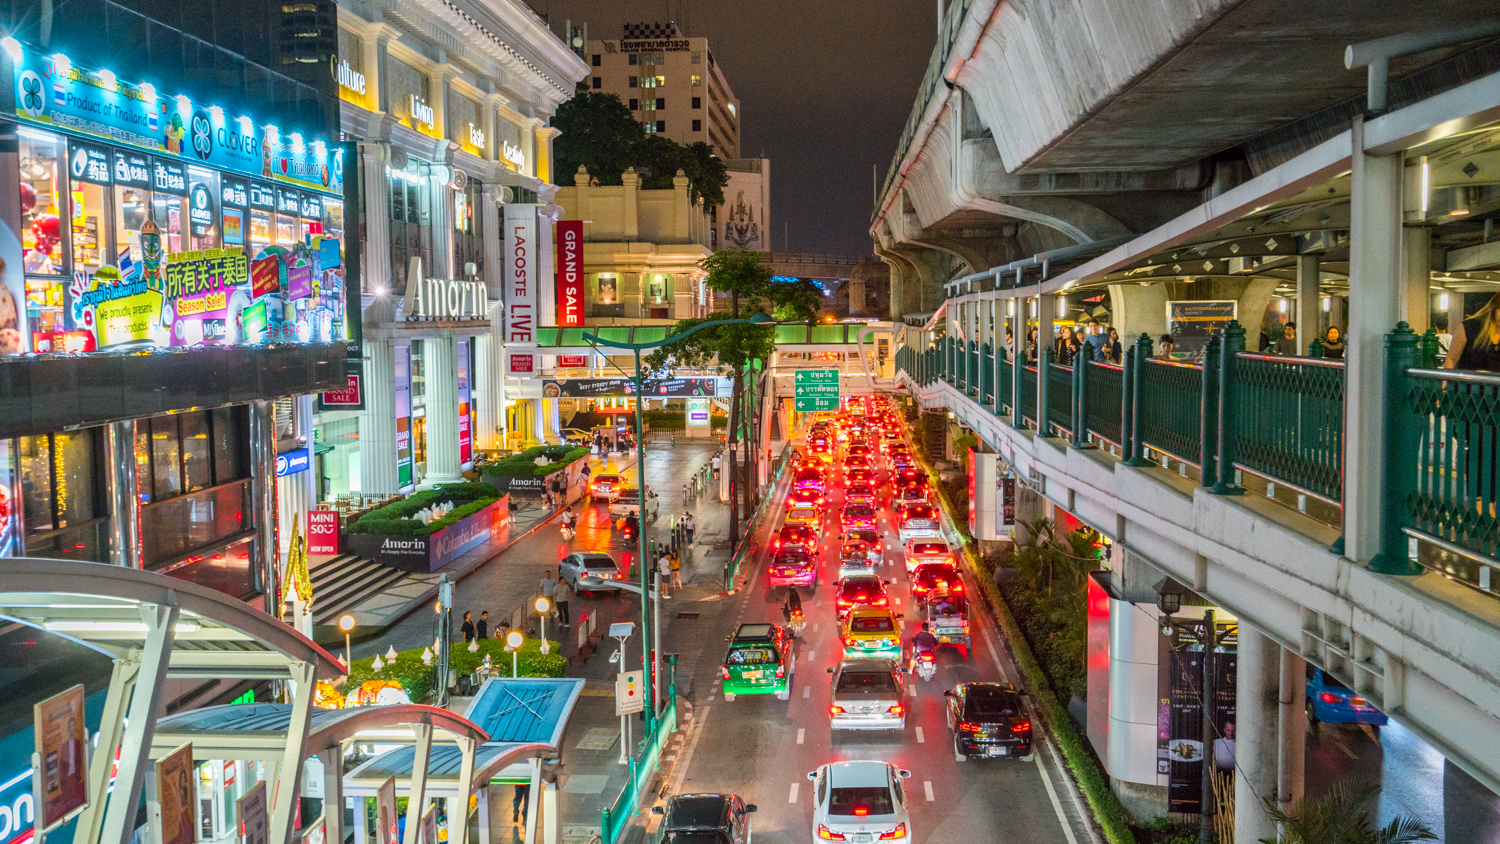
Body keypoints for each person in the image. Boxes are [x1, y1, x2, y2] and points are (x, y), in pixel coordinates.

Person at [1447, 292, 1500, 371]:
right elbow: (1451, 360)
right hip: (1467, 382)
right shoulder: (1469, 327)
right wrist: (1445, 382)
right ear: (1494, 308)